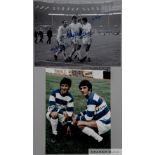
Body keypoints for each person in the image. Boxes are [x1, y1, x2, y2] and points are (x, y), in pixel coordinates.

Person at [46, 77, 74, 143]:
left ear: (69, 87)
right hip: (51, 113)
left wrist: (69, 125)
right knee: (55, 114)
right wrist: (62, 111)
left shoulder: (70, 98)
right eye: (62, 85)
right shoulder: (54, 93)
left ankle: (64, 126)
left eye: (66, 86)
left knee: (73, 122)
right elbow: (51, 108)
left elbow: (69, 112)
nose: (64, 88)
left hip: (62, 115)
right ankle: (54, 134)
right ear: (60, 86)